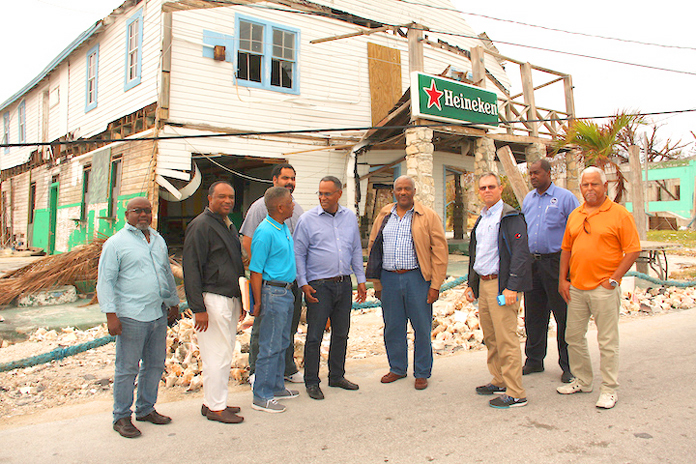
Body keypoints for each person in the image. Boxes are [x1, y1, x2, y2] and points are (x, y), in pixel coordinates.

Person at [557, 166, 640, 409]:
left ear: (605, 186)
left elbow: (633, 249)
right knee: (573, 337)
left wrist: (614, 278)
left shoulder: (619, 214)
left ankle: (609, 389)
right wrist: (563, 280)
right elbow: (566, 249)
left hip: (603, 289)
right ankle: (582, 380)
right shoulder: (576, 214)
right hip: (577, 289)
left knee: (607, 341)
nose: (590, 189)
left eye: (595, 184)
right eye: (585, 184)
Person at [97, 197, 180, 438]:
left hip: (157, 313)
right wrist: (111, 315)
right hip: (131, 315)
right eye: (137, 211)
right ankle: (121, 416)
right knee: (127, 369)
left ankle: (146, 408)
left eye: (147, 211)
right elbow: (105, 281)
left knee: (154, 365)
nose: (143, 215)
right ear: (126, 214)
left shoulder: (157, 239)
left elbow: (165, 272)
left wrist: (172, 302)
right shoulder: (115, 244)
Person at [366, 175, 448, 391]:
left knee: (421, 327)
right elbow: (374, 248)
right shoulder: (384, 216)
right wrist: (377, 284)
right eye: (399, 189)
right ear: (394, 191)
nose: (403, 193)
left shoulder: (427, 216)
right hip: (389, 278)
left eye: (407, 189)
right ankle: (397, 368)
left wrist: (435, 285)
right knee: (393, 327)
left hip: (417, 279)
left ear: (414, 191)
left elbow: (439, 252)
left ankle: (421, 372)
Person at [294, 176, 367, 400]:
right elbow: (298, 254)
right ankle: (312, 381)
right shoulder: (307, 220)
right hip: (319, 286)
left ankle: (336, 376)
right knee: (315, 336)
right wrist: (303, 283)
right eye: (320, 193)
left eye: (327, 193)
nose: (322, 198)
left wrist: (361, 280)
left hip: (343, 284)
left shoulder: (349, 218)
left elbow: (355, 250)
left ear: (338, 194)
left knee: (341, 333)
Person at [465, 172, 532, 409]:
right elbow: (478, 253)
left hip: (502, 286)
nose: (487, 191)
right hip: (484, 285)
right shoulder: (482, 218)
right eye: (482, 188)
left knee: (506, 339)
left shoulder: (510, 216)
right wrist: (471, 284)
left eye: (491, 186)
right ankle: (499, 379)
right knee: (491, 338)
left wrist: (512, 286)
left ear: (500, 188)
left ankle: (516, 393)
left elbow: (521, 254)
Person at [183, 181, 245, 424]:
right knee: (217, 354)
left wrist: (240, 300)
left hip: (229, 297)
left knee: (221, 353)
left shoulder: (226, 224)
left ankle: (212, 402)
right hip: (213, 299)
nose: (227, 201)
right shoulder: (201, 226)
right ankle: (217, 408)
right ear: (209, 198)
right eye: (222, 197)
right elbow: (192, 268)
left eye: (231, 197)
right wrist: (198, 308)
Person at [240, 164, 304, 386]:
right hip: (271, 284)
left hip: (291, 282)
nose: (290, 182)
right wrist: (264, 275)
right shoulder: (261, 208)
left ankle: (286, 368)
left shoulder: (296, 210)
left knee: (288, 328)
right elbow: (248, 242)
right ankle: (257, 371)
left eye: (293, 178)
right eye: (286, 178)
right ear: (275, 180)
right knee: (264, 330)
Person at [521, 159, 579, 383]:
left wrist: (570, 271)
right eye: (530, 173)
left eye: (537, 173)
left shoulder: (565, 198)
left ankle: (569, 366)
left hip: (557, 264)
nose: (533, 176)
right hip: (533, 264)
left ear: (548, 173)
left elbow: (576, 233)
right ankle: (534, 360)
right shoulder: (528, 199)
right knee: (534, 316)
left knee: (563, 316)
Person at [249, 187, 299, 413]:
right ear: (280, 207)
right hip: (273, 293)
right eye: (290, 202)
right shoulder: (265, 232)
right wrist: (258, 302)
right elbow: (256, 270)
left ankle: (277, 386)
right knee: (269, 345)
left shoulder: (283, 227)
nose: (294, 205)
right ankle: (261, 395)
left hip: (286, 292)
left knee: (281, 342)